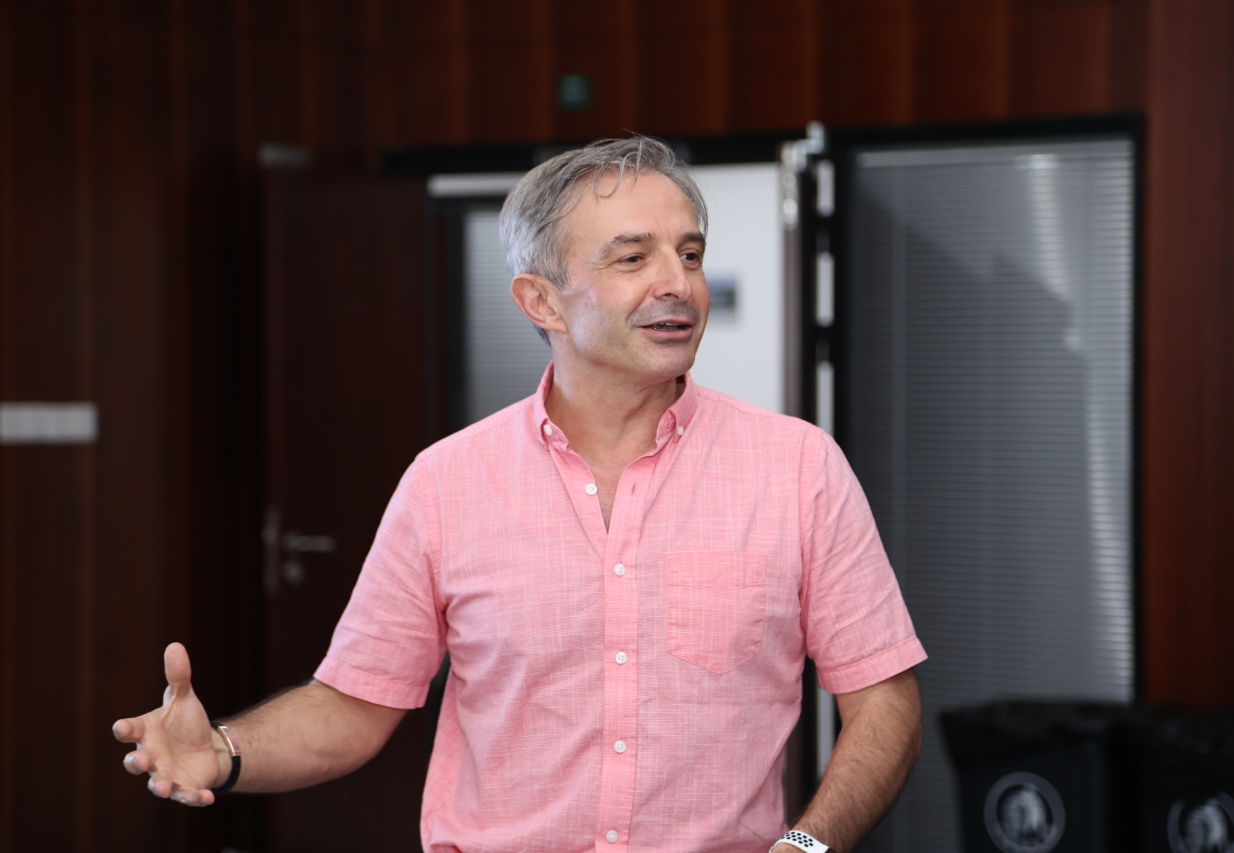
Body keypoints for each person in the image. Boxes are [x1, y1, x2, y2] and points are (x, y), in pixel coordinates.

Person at [114, 135, 927, 853]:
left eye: (690, 253)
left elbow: (884, 705)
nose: (677, 283)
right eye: (633, 258)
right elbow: (352, 709)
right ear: (541, 300)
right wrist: (223, 750)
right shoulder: (446, 482)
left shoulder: (799, 468)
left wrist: (805, 846)